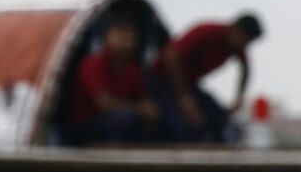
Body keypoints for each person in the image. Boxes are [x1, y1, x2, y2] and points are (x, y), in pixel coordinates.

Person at [154, 13, 264, 143]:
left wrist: (239, 98)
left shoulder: (235, 47)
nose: (244, 46)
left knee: (218, 117)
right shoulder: (209, 32)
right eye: (244, 40)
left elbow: (245, 68)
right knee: (178, 120)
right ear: (236, 30)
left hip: (189, 84)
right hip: (161, 80)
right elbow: (171, 56)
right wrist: (185, 99)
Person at [64, 15, 158, 147]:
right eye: (120, 32)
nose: (127, 38)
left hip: (118, 123)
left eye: (131, 33)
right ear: (106, 37)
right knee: (125, 118)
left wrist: (150, 110)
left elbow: (143, 98)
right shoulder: (92, 64)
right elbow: (104, 104)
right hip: (86, 128)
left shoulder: (133, 68)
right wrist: (139, 109)